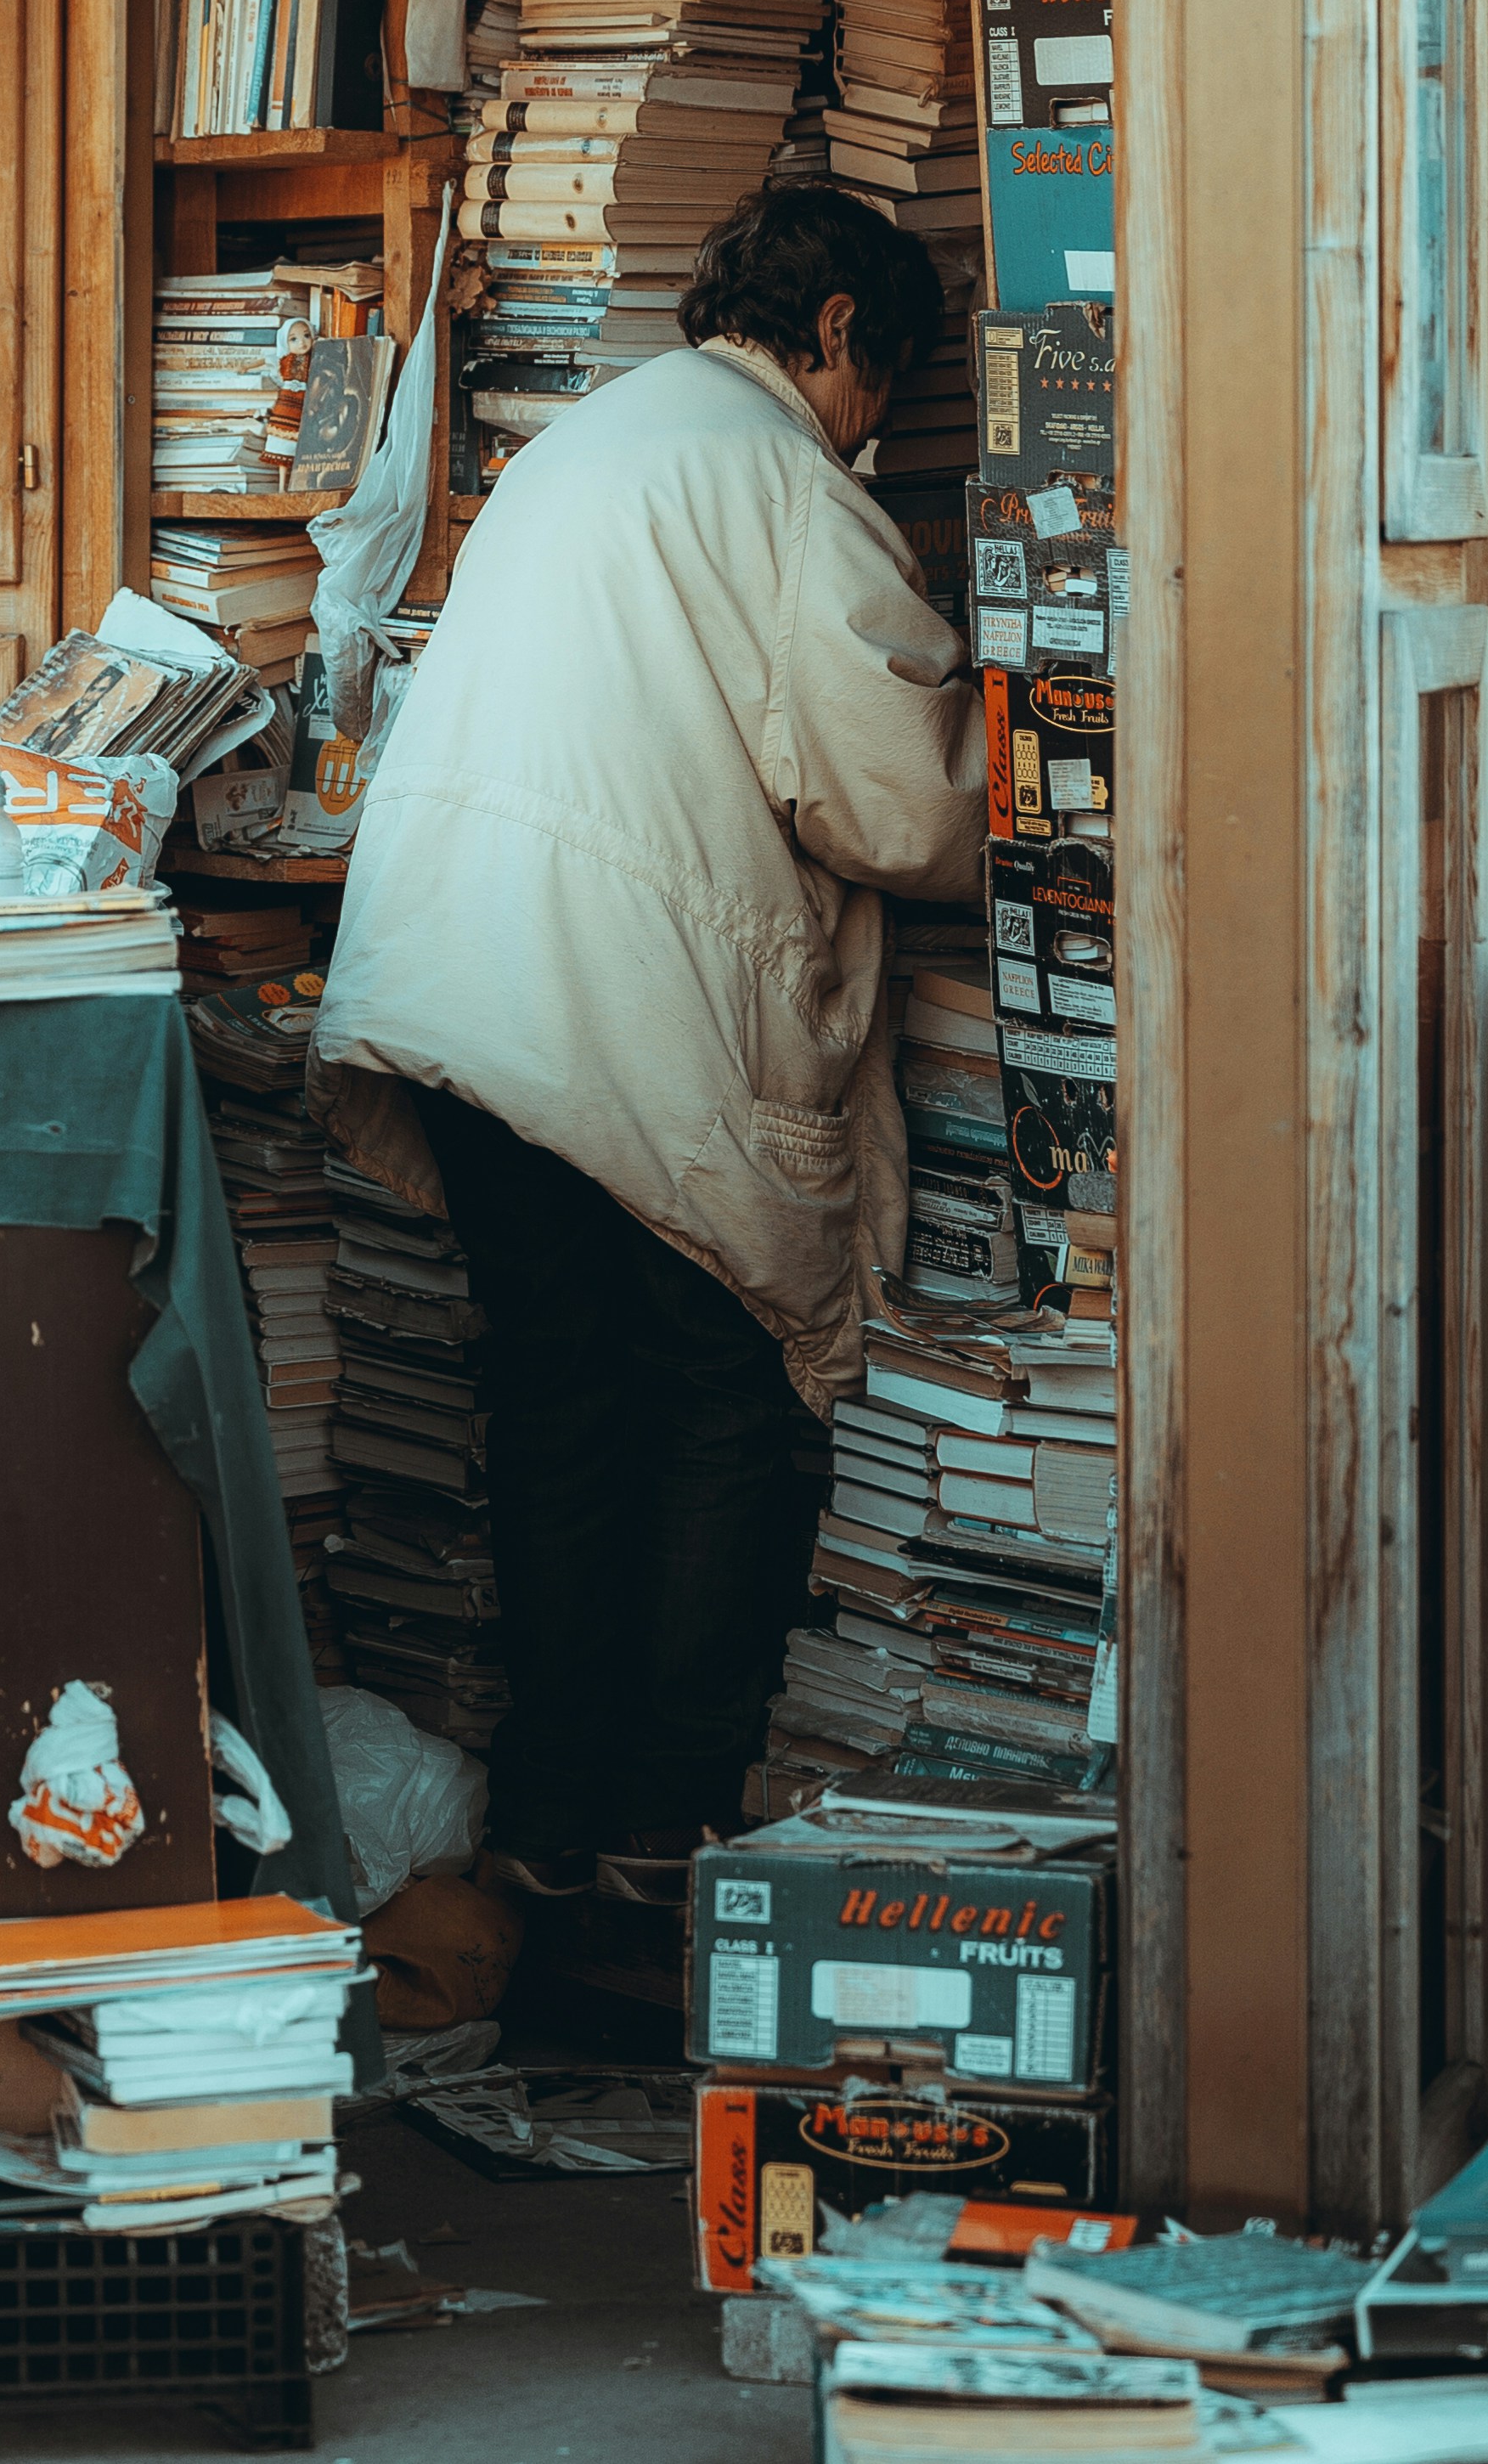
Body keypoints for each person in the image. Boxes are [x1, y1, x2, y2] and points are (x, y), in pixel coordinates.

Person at [312, 181, 984, 1890]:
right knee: (712, 1393)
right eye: (874, 381)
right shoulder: (778, 479)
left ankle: (546, 1812)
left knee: (557, 1401)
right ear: (832, 332)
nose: (871, 422)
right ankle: (662, 1819)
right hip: (603, 1006)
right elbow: (897, 808)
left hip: (456, 991)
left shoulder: (577, 443)